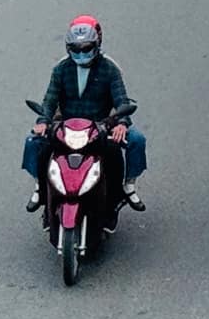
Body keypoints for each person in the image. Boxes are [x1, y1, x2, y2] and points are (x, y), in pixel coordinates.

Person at [25, 16, 146, 212]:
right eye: (76, 49)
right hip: (66, 126)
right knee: (33, 142)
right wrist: (43, 121)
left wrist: (121, 123)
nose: (81, 53)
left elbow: (121, 100)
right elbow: (50, 99)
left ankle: (127, 187)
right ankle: (40, 186)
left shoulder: (110, 69)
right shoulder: (61, 69)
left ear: (97, 45)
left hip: (101, 125)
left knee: (136, 141)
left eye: (86, 48)